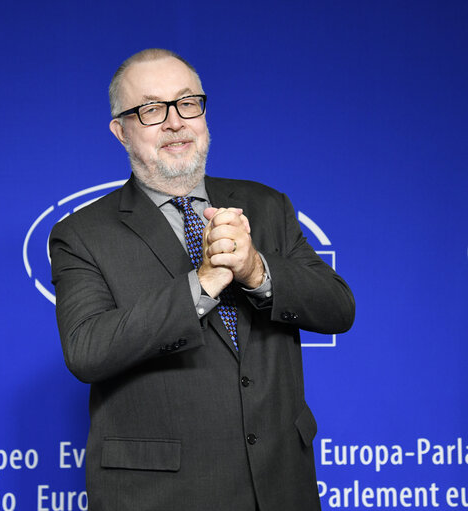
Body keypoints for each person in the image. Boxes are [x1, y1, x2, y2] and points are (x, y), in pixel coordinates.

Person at [49, 48, 354, 511]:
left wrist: (255, 269)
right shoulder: (82, 234)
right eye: (151, 109)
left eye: (187, 102)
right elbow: (87, 350)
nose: (175, 121)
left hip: (281, 485)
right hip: (161, 495)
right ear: (121, 131)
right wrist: (204, 282)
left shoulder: (267, 204)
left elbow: (338, 308)